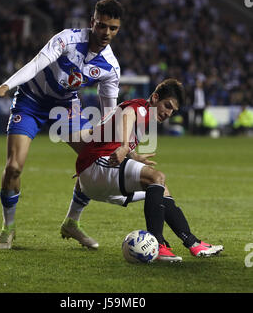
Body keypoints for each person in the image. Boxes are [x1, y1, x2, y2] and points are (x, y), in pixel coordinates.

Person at [0, 0, 124, 249]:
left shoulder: (110, 67)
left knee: (94, 158)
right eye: (101, 25)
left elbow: (109, 113)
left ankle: (72, 222)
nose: (106, 32)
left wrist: (119, 146)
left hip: (65, 107)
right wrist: (6, 86)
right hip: (30, 101)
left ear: (118, 28)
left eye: (113, 28)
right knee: (13, 167)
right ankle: (7, 228)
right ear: (92, 22)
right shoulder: (67, 39)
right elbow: (36, 64)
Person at [61, 79, 224, 261]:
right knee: (157, 177)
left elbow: (106, 133)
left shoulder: (144, 116)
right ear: (155, 98)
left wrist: (132, 154)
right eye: (167, 105)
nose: (168, 113)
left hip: (94, 177)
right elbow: (128, 114)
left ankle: (193, 243)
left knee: (160, 189)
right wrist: (124, 147)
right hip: (96, 168)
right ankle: (159, 245)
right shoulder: (141, 108)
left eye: (173, 110)